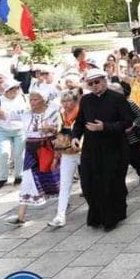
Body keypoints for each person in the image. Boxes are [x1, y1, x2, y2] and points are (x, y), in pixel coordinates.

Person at [71, 69, 134, 231]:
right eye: (90, 83)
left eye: (97, 82)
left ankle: (111, 218)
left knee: (110, 183)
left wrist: (104, 127)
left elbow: (127, 122)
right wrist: (75, 136)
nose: (94, 86)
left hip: (113, 147)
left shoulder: (118, 98)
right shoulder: (85, 100)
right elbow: (80, 122)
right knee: (89, 183)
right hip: (91, 148)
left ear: (104, 81)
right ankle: (97, 215)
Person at [5, 91, 61, 226]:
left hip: (48, 148)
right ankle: (20, 216)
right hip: (31, 149)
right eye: (31, 100)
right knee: (27, 180)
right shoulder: (25, 113)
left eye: (35, 99)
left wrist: (52, 130)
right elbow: (4, 115)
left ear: (43, 100)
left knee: (54, 178)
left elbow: (62, 130)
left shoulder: (53, 112)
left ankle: (63, 206)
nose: (32, 102)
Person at [48, 89, 81, 227]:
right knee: (64, 184)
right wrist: (56, 157)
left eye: (69, 100)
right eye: (64, 101)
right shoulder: (61, 115)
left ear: (75, 101)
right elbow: (59, 138)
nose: (66, 104)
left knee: (91, 181)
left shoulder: (81, 113)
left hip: (82, 151)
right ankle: (60, 216)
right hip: (67, 153)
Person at [0, 79, 28, 188]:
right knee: (4, 153)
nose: (16, 90)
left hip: (20, 130)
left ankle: (19, 176)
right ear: (7, 90)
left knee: (19, 154)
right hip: (3, 131)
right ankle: (3, 178)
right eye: (14, 88)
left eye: (18, 88)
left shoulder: (23, 98)